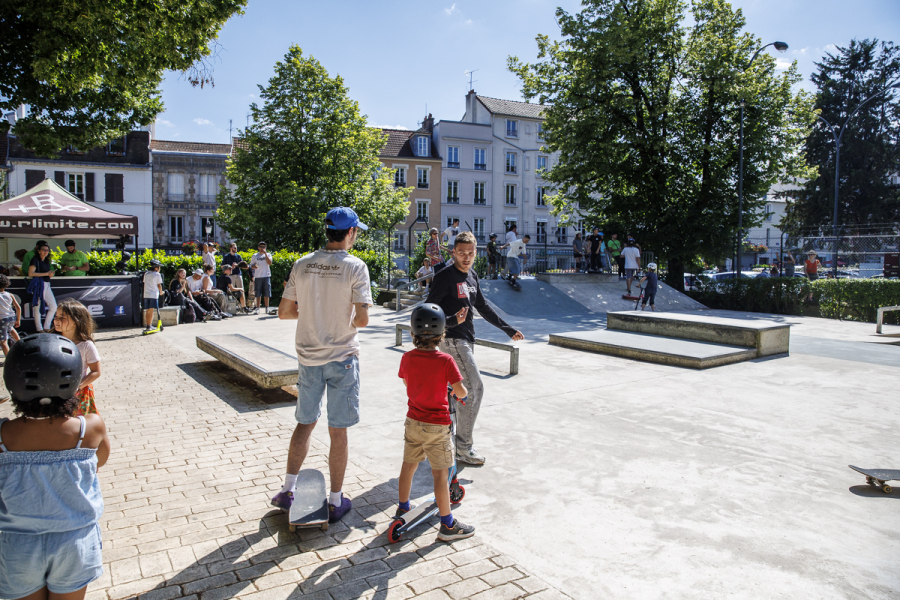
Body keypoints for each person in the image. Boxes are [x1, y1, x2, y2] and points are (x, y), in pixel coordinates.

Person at [273, 207, 373, 523]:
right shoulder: (356, 267)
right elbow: (362, 320)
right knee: (338, 431)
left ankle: (287, 490)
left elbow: (284, 312)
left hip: (308, 358)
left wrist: (314, 314)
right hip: (342, 358)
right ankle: (335, 499)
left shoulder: (302, 265)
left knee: (305, 423)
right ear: (351, 232)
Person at [0, 333, 110, 600]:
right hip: (75, 542)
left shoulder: (3, 435)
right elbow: (100, 460)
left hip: (17, 545)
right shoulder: (90, 427)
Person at [426, 231, 524, 465]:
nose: (466, 257)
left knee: (455, 392)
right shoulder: (445, 276)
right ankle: (464, 447)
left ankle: (446, 440)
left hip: (467, 339)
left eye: (471, 253)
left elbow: (482, 306)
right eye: (461, 253)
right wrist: (451, 321)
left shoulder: (472, 276)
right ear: (453, 253)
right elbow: (429, 309)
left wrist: (507, 328)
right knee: (474, 388)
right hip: (452, 339)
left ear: (476, 253)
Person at [394, 303, 474, 541]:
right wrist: (461, 394)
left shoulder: (407, 358)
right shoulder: (446, 360)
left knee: (408, 465)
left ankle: (402, 507)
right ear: (442, 334)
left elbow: (408, 384)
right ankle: (448, 525)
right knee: (440, 475)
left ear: (412, 333)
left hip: (413, 421)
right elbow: (461, 392)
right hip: (438, 426)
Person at [53, 299, 102, 416]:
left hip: (79, 394)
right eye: (56, 316)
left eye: (62, 317)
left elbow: (96, 371)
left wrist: (77, 387)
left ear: (76, 321)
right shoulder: (52, 341)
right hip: (55, 392)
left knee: (78, 426)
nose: (56, 320)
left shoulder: (86, 345)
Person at [27, 242, 57, 332]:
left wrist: (49, 274)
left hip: (47, 284)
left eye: (47, 250)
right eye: (44, 250)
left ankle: (46, 327)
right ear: (39, 251)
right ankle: (39, 328)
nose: (46, 252)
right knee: (38, 306)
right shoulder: (35, 260)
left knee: (54, 306)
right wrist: (46, 274)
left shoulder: (46, 261)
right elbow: (30, 273)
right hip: (40, 285)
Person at [0, 274, 21, 356]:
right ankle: (21, 344)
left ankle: (9, 360)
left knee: (3, 342)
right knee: (11, 329)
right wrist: (18, 320)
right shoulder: (10, 294)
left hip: (2, 319)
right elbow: (18, 308)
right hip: (11, 317)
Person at [250, 242, 274, 315]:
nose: (262, 248)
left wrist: (265, 254)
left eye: (263, 247)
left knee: (267, 292)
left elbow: (269, 263)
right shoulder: (255, 256)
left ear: (265, 247)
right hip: (258, 276)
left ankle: (267, 307)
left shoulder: (268, 254)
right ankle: (257, 308)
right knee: (258, 292)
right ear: (258, 247)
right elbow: (251, 266)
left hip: (266, 275)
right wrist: (254, 266)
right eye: (261, 246)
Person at [142, 259, 164, 331]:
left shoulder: (146, 274)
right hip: (153, 294)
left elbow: (145, 283)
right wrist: (161, 292)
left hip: (146, 294)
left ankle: (148, 326)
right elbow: (159, 285)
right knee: (151, 310)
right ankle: (149, 326)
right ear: (156, 268)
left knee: (148, 311)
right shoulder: (157, 274)